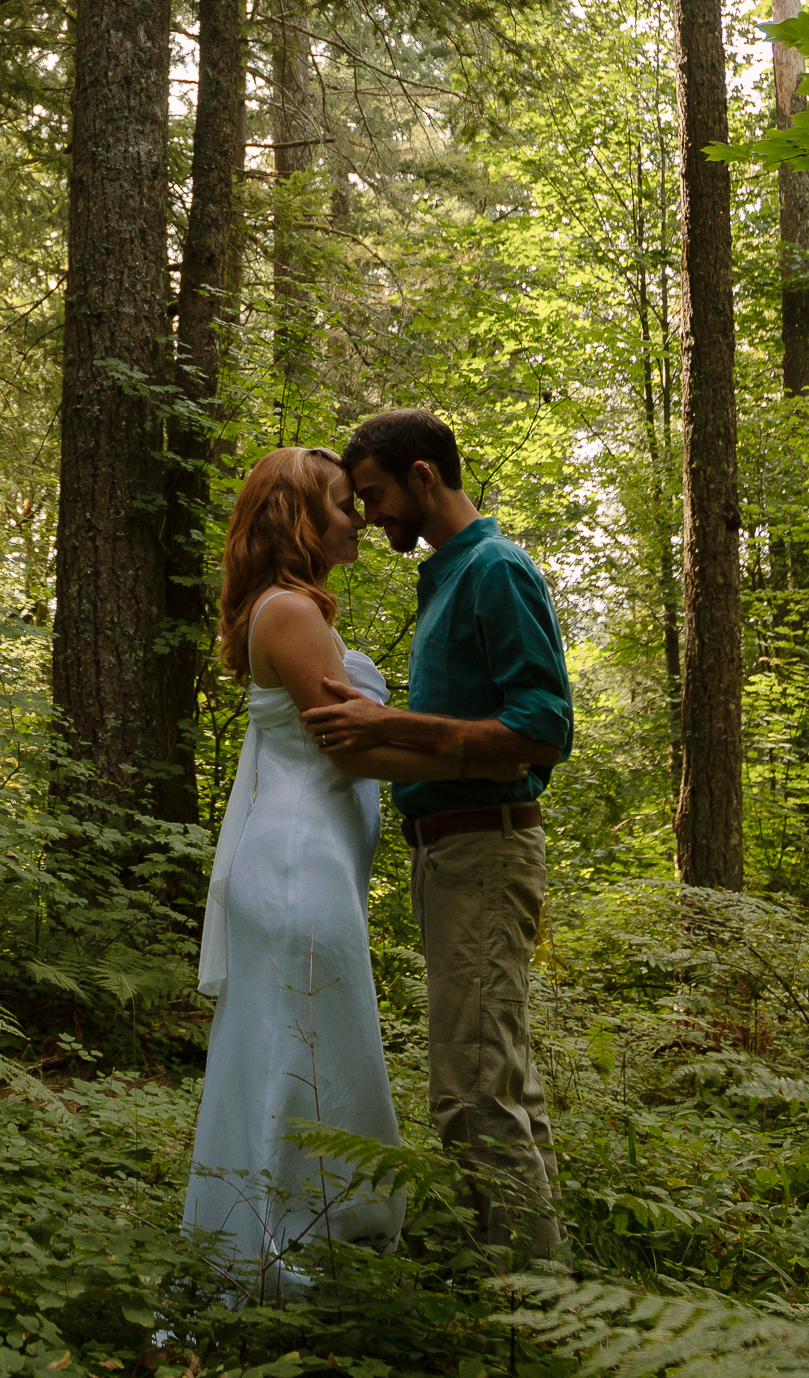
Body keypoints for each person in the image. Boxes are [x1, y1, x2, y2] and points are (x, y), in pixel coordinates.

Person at [183, 444, 532, 1301]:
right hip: (298, 865)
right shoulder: (291, 614)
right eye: (343, 503)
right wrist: (488, 766)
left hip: (315, 863)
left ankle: (296, 1247)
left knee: (305, 1046)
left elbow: (363, 734)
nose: (361, 517)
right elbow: (357, 742)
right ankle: (281, 1261)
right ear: (297, 515)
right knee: (297, 1055)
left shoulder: (294, 609)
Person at [302, 408, 574, 1260]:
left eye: (376, 495)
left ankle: (521, 1307)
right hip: (450, 852)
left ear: (424, 476)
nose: (368, 514)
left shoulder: (493, 569)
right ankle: (539, 1278)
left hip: (486, 848)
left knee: (472, 1091)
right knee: (499, 1079)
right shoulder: (447, 577)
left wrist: (403, 726)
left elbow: (543, 729)